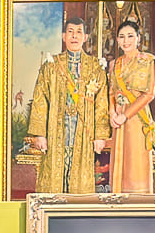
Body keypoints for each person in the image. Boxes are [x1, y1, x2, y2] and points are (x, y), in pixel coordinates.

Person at [25, 15, 108, 195]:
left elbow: (102, 103)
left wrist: (100, 136)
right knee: (54, 181)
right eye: (70, 32)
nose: (74, 36)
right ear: (64, 36)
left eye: (79, 32)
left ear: (85, 37)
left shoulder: (95, 67)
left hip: (83, 133)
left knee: (80, 182)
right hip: (56, 131)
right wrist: (40, 134)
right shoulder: (51, 66)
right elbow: (40, 100)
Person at [105, 19, 155, 195]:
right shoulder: (114, 64)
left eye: (130, 36)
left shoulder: (148, 61)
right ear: (117, 40)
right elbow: (111, 92)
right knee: (120, 163)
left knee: (136, 162)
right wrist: (112, 113)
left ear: (138, 38)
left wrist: (125, 115)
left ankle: (139, 201)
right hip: (118, 119)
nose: (126, 40)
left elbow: (149, 94)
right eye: (121, 37)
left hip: (137, 118)